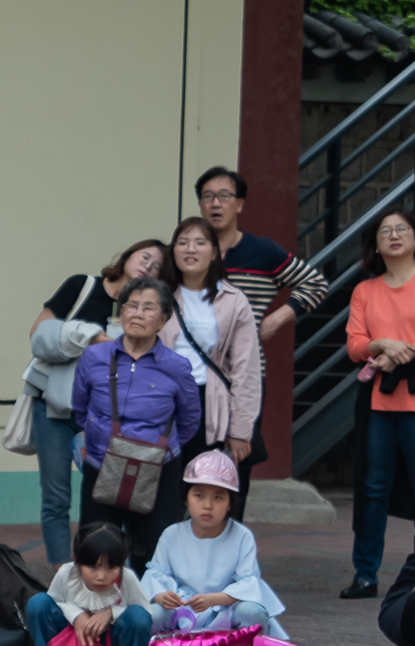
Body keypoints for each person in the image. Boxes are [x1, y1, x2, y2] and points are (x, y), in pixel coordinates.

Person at [196, 166, 329, 518]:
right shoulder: (190, 250)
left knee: (234, 466)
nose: (215, 203)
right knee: (190, 465)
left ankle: (227, 552)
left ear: (239, 204)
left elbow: (315, 283)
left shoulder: (261, 251)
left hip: (243, 376)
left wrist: (276, 319)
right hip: (190, 376)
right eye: (207, 196)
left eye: (224, 196)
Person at [28, 240, 166, 565]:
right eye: (144, 257)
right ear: (129, 255)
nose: (148, 266)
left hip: (106, 419)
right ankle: (63, 577)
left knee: (111, 497)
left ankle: (103, 571)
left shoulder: (144, 311)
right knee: (56, 498)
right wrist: (87, 338)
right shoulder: (82, 286)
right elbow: (38, 332)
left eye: (157, 266)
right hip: (55, 408)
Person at [73, 279, 203, 568]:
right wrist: (99, 439)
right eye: (131, 305)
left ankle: (146, 611)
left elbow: (189, 419)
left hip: (157, 468)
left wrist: (156, 444)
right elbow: (80, 408)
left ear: (163, 319)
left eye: (148, 308)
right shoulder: (94, 357)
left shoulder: (176, 366)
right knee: (95, 547)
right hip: (102, 463)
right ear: (121, 313)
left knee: (153, 552)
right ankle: (99, 611)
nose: (137, 313)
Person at [345, 205, 415, 599]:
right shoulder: (366, 289)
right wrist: (381, 345)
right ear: (375, 245)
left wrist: (408, 351)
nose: (393, 236)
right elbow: (355, 345)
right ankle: (365, 574)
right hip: (379, 398)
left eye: (401, 229)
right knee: (373, 487)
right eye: (385, 232)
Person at [143, 450, 288, 639]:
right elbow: (156, 577)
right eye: (199, 495)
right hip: (183, 611)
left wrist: (213, 600)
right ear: (186, 499)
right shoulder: (172, 534)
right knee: (152, 614)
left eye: (218, 497)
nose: (208, 505)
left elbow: (249, 583)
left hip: (226, 609)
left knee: (252, 612)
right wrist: (161, 596)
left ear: (230, 503)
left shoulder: (241, 535)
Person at [159, 217, 265, 467]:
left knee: (204, 485)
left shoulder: (233, 300)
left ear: (215, 253)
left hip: (208, 401)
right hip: (161, 399)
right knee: (160, 490)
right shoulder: (157, 294)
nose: (190, 249)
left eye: (200, 242)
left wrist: (240, 430)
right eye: (182, 242)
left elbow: (245, 369)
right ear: (173, 250)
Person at [21, 522, 155, 646]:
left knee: (138, 617)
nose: (102, 576)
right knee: (38, 603)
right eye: (93, 567)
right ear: (77, 562)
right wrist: (77, 616)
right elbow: (53, 603)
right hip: (72, 644)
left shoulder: (127, 578)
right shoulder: (66, 574)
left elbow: (145, 615)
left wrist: (111, 613)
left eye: (111, 568)